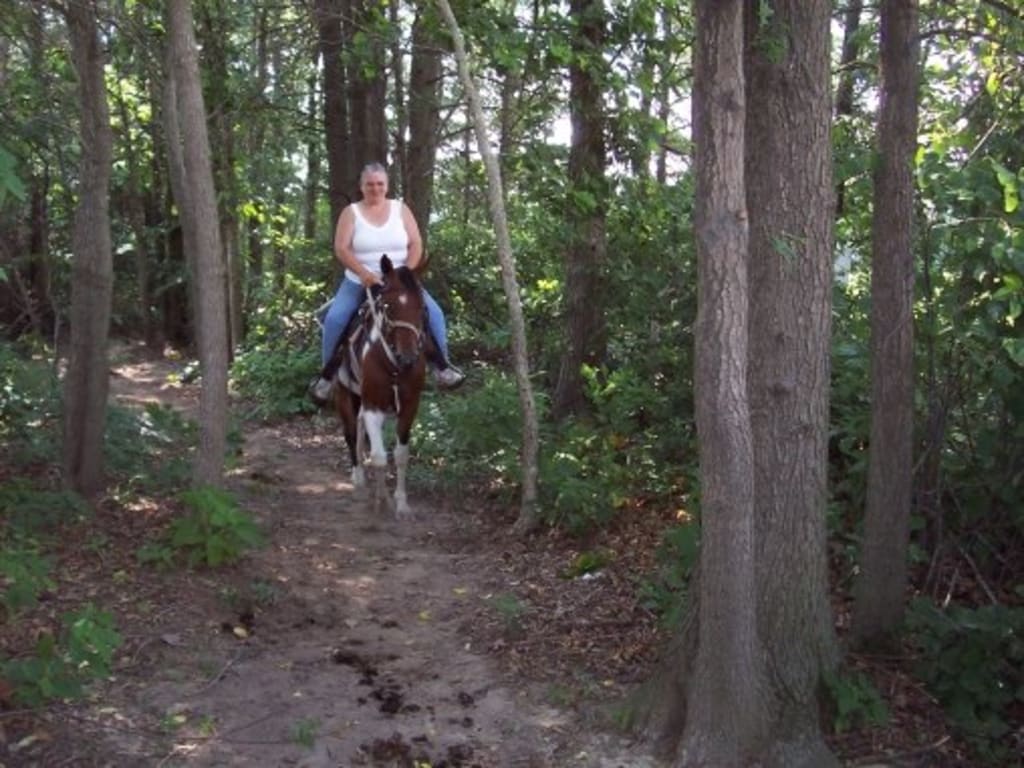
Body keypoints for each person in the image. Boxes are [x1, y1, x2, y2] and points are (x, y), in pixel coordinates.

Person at [309, 162, 465, 404]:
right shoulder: (351, 213)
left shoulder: (401, 210)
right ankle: (327, 378)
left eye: (380, 184)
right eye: (370, 184)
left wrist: (407, 272)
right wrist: (364, 273)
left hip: (399, 279)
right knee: (336, 319)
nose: (375, 189)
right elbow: (341, 248)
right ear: (362, 186)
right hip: (360, 279)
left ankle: (442, 368)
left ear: (387, 185)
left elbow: (416, 243)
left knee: (434, 314)